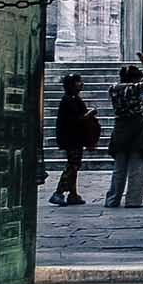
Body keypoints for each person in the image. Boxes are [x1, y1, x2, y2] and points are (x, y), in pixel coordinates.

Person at [103, 65, 143, 209]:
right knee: (137, 167)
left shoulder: (113, 88)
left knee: (119, 167)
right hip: (136, 128)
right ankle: (133, 200)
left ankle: (113, 199)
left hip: (119, 128)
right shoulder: (133, 88)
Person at [50, 74, 95, 206]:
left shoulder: (74, 99)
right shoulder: (68, 100)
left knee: (75, 164)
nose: (81, 84)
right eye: (78, 82)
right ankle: (58, 192)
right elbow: (77, 119)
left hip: (76, 137)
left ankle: (73, 194)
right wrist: (90, 114)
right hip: (71, 138)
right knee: (72, 165)